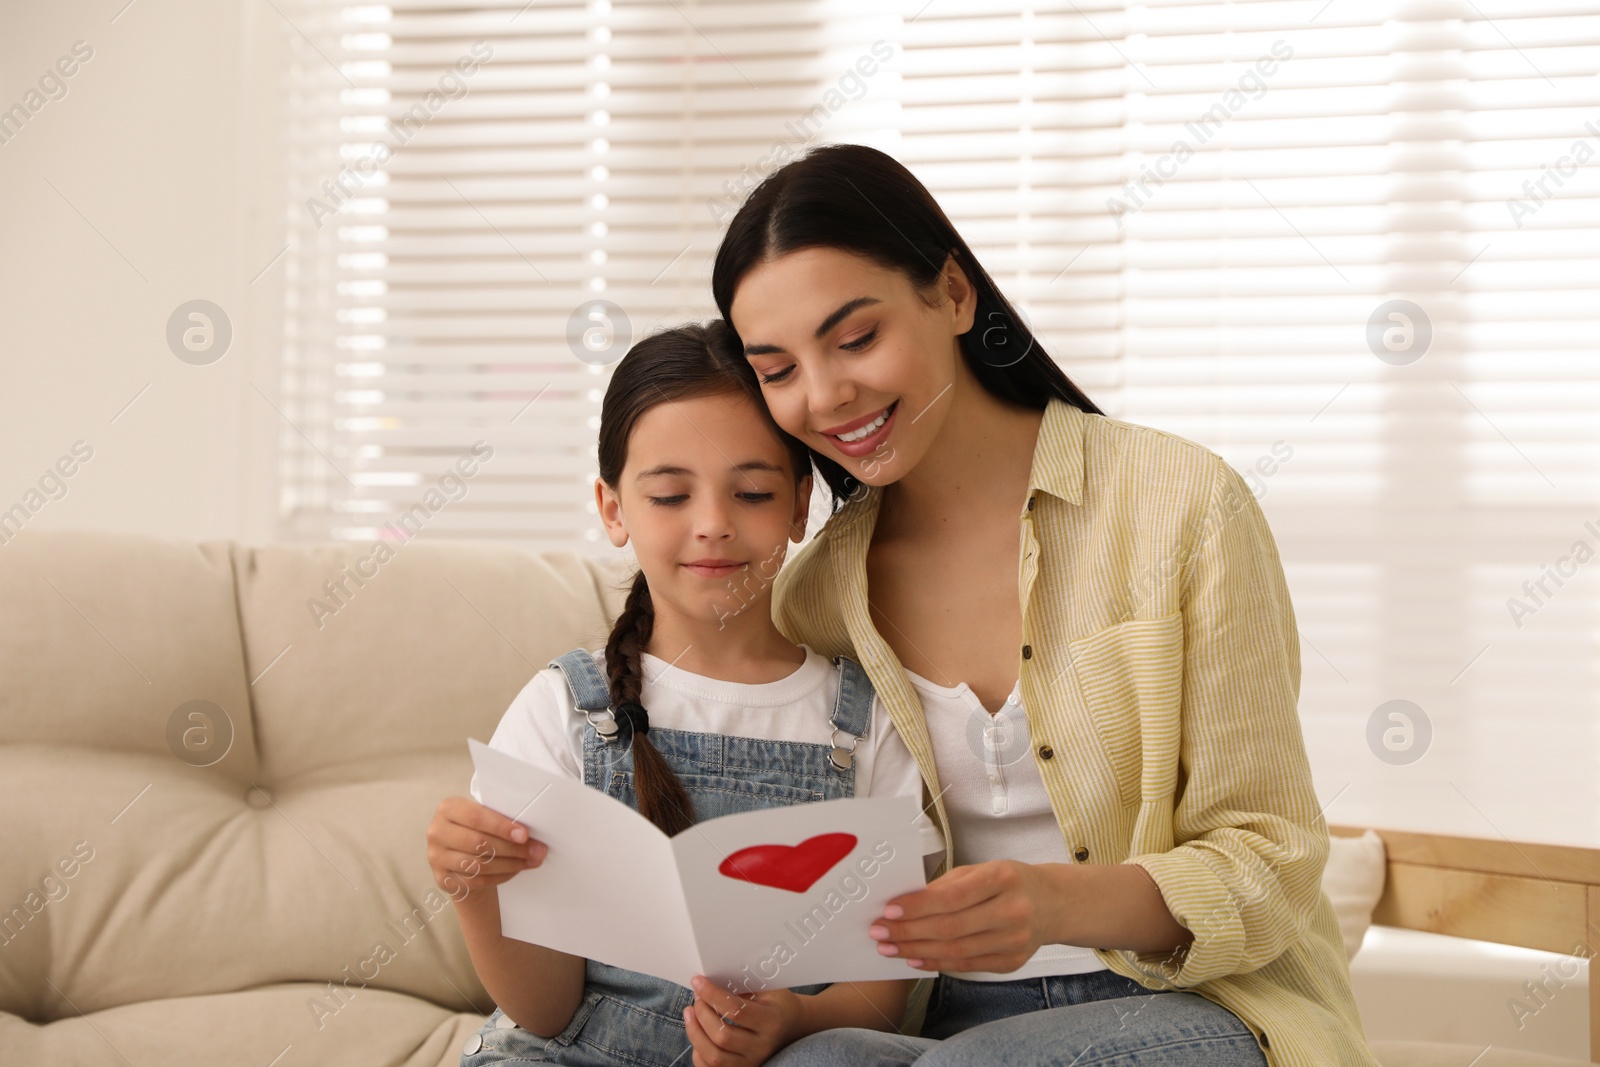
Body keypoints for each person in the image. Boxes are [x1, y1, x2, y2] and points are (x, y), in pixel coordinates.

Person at [706, 144, 1379, 1066]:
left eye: (856, 338)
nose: (826, 396)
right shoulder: (815, 596)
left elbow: (1273, 857)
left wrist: (1057, 901)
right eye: (778, 370)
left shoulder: (1179, 503)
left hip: (1201, 1003)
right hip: (945, 1020)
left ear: (952, 293)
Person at [426, 320, 943, 1067]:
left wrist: (794, 1019)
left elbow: (880, 994)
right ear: (612, 509)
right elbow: (544, 1008)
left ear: (800, 506)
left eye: (753, 491)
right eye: (670, 495)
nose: (712, 525)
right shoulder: (567, 708)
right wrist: (474, 887)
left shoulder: (862, 724)